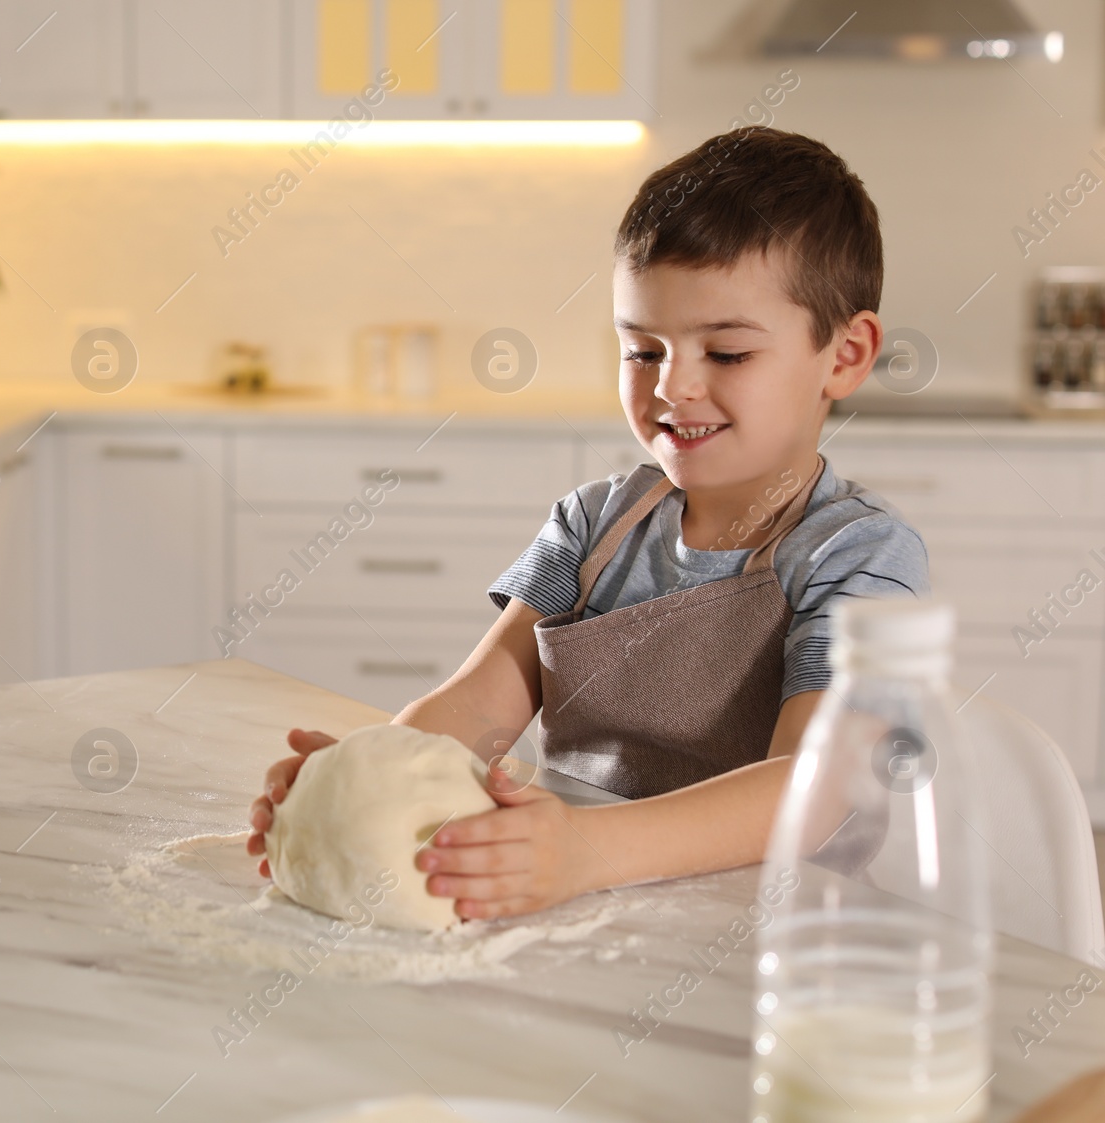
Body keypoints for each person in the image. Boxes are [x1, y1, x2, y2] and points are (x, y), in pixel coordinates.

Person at [247, 127, 929, 922]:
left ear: (846, 356)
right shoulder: (592, 527)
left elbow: (812, 789)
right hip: (583, 910)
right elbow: (473, 708)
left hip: (785, 940)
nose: (673, 388)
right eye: (643, 350)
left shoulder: (858, 554)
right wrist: (365, 784)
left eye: (728, 354)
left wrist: (587, 852)